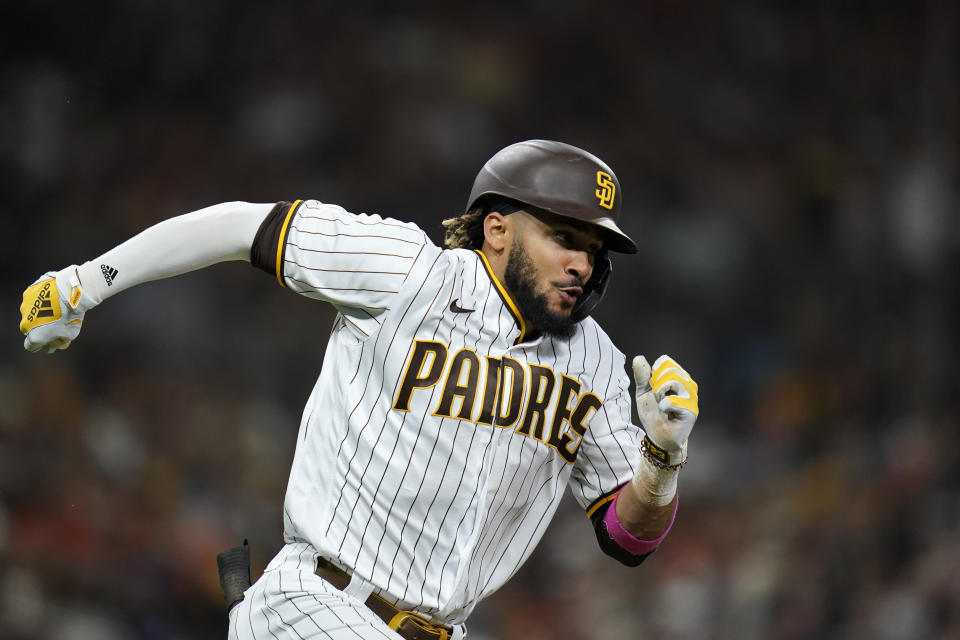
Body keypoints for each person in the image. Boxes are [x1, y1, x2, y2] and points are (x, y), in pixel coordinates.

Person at [19, 139, 699, 640]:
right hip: (320, 607)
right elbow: (240, 227)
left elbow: (627, 538)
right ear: (496, 229)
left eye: (594, 249)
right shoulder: (411, 272)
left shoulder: (601, 366)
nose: (582, 263)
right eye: (563, 237)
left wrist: (663, 458)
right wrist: (86, 282)